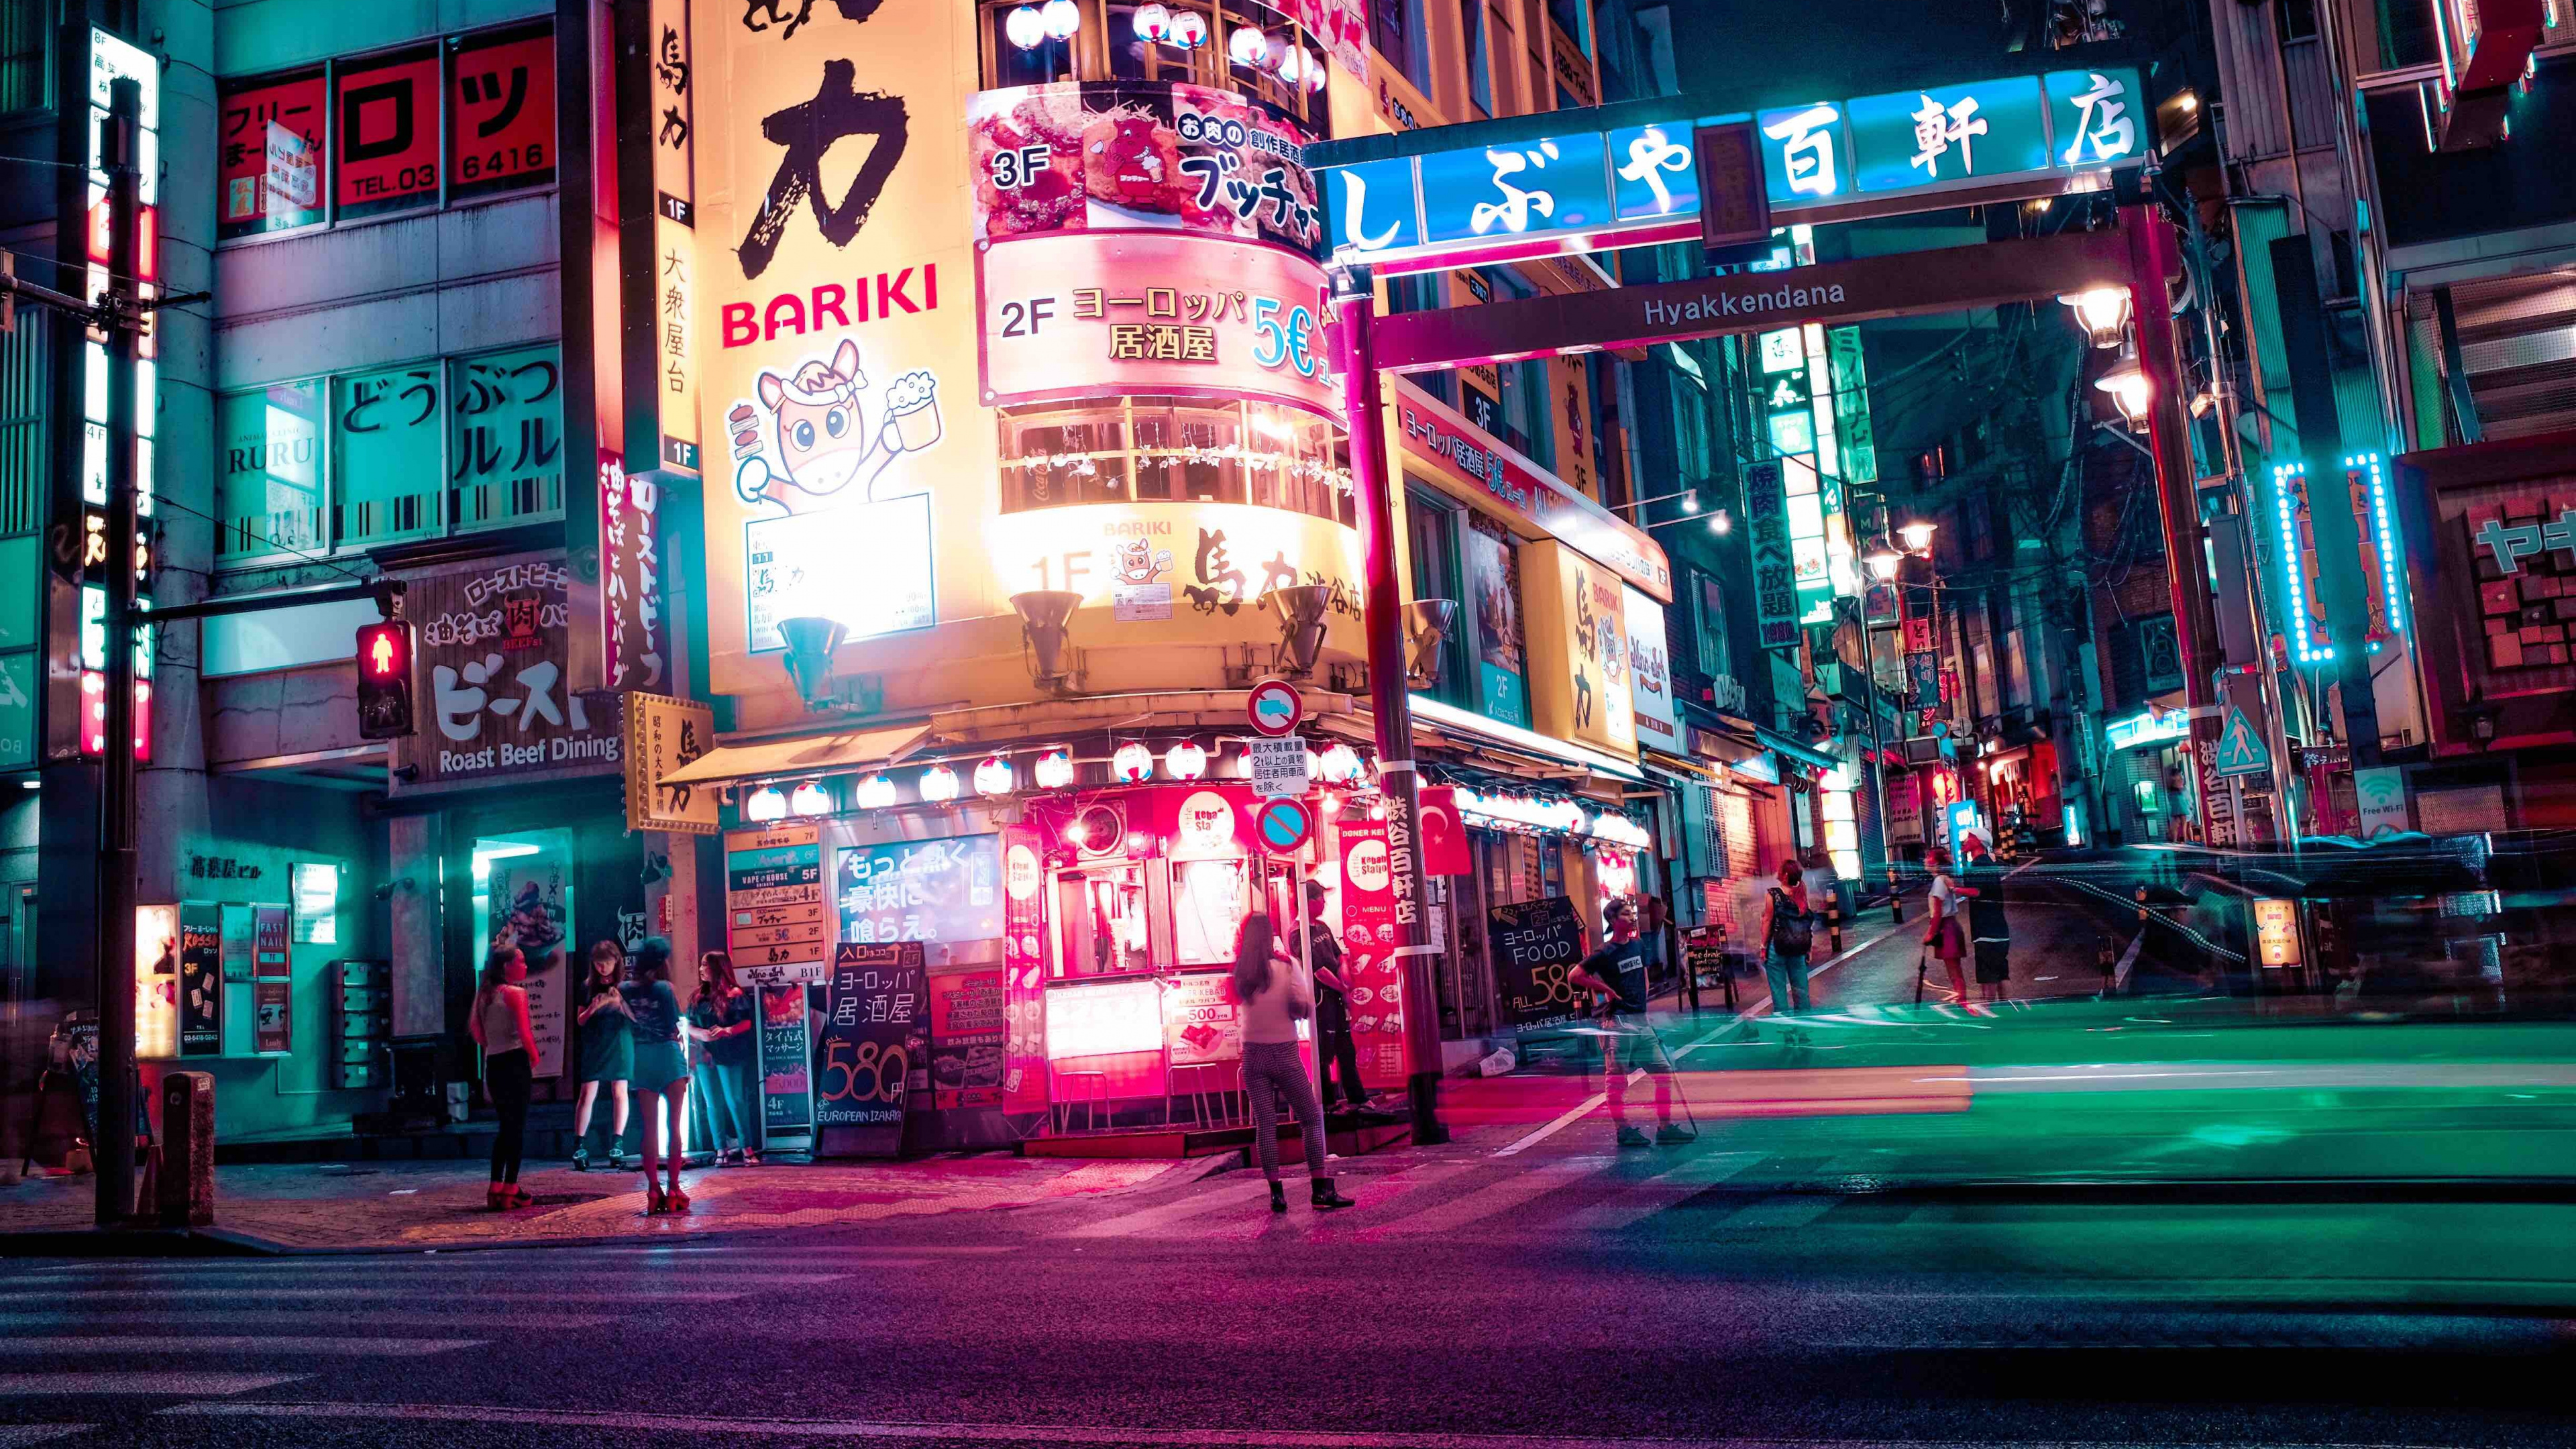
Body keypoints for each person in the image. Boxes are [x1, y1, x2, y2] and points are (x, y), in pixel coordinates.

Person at [1230, 911, 1353, 1214]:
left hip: (1253, 1056)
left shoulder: (1240, 973)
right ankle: (1320, 1189)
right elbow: (1304, 1008)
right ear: (1270, 936)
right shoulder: (1286, 967)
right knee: (1310, 1118)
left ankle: (1277, 1195)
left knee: (1265, 1125)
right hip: (1284, 1053)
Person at [1569, 898, 1688, 1147]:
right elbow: (1575, 976)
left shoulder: (1638, 945)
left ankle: (1665, 1127)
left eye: (1632, 913)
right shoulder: (1605, 952)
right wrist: (1605, 989)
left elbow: (1643, 974)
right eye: (1626, 914)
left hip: (1641, 1022)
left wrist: (1642, 1004)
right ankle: (1622, 1129)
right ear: (1613, 921)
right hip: (1618, 1024)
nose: (1632, 917)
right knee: (1616, 1080)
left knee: (1663, 1072)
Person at [621, 936, 692, 1214]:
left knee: (649, 1129)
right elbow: (674, 1023)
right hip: (668, 1055)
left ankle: (653, 1189)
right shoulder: (665, 989)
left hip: (641, 1057)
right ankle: (674, 1188)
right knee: (674, 1126)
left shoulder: (624, 989)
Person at [467, 945, 536, 1211]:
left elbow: (478, 1034)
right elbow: (525, 1033)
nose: (525, 966)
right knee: (516, 1128)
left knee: (505, 1126)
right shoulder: (516, 994)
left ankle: (495, 1186)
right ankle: (511, 1187)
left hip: (493, 1064)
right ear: (507, 966)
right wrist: (534, 1057)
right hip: (515, 1061)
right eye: (521, 961)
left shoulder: (484, 994)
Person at [1293, 879, 1368, 1114]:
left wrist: (1344, 973)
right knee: (1324, 1053)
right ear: (1308, 902)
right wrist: (1342, 988)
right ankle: (1328, 1104)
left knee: (1347, 1048)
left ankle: (1358, 1099)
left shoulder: (1323, 927)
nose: (1324, 903)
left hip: (1336, 996)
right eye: (1321, 899)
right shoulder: (1298, 933)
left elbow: (1339, 955)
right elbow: (1318, 971)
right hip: (1322, 998)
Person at [687, 951, 760, 1166]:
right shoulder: (698, 996)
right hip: (705, 1054)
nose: (701, 969)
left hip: (730, 1053)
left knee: (735, 1100)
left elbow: (746, 1023)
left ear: (718, 968)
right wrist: (701, 1034)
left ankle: (747, 1148)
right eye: (701, 965)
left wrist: (727, 1031)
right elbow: (689, 1024)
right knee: (712, 1103)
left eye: (705, 965)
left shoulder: (735, 994)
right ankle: (721, 1149)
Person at [572, 940, 633, 1172]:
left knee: (620, 1091)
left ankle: (618, 1143)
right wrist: (593, 1008)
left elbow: (636, 1017)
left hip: (620, 1041)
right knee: (587, 1093)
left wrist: (618, 1002)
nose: (602, 968)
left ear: (616, 961)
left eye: (606, 962)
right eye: (598, 963)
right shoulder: (586, 986)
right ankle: (579, 1144)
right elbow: (580, 1020)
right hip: (594, 1042)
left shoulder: (625, 986)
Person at [1961, 835, 2013, 1002]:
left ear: (1979, 842)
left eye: (1969, 838)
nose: (1965, 841)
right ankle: (2008, 1010)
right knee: (2002, 973)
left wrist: (1953, 889)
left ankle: (1989, 1011)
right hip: (1999, 930)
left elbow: (1976, 891)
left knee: (1988, 977)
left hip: (1986, 931)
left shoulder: (1978, 864)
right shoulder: (1988, 863)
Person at [1923, 845, 1976, 1003]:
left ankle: (1962, 1001)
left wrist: (1930, 934)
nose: (1925, 860)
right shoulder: (1943, 879)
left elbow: (1938, 912)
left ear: (1936, 862)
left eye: (1928, 857)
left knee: (1954, 970)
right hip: (1950, 927)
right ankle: (1961, 1000)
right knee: (1954, 970)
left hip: (1946, 928)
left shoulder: (1939, 881)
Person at [1762, 859, 1815, 1014]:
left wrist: (1763, 946)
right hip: (1799, 947)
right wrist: (1808, 948)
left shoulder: (1773, 894)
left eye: (1780, 871)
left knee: (1778, 990)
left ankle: (1785, 1025)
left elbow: (1767, 921)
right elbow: (1805, 922)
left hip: (1777, 947)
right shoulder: (1801, 893)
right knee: (1801, 990)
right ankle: (1804, 1023)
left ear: (1785, 875)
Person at [1801, 850, 1843, 956]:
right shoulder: (1823, 867)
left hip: (1822, 895)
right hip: (1826, 894)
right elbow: (1834, 875)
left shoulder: (1814, 869)